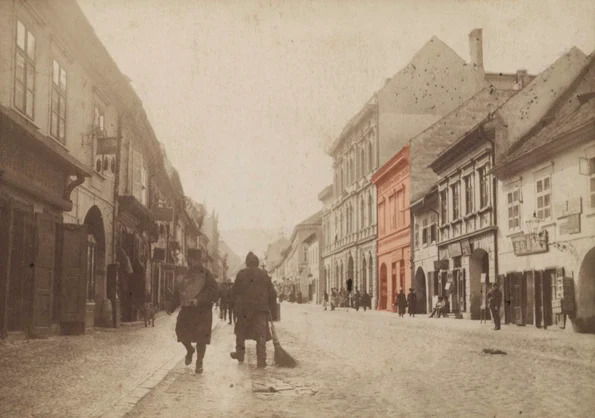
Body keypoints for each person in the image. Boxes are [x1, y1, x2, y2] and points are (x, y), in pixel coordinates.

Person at [167, 255, 218, 374]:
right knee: (181, 332)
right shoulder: (186, 274)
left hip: (202, 311)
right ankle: (190, 349)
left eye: (194, 260)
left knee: (201, 338)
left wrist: (199, 300)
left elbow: (213, 291)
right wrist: (172, 306)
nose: (191, 262)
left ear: (199, 261)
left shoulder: (206, 274)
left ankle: (199, 362)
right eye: (191, 260)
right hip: (187, 310)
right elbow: (178, 291)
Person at [230, 252, 277, 368]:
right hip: (260, 310)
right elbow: (273, 293)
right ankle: (261, 360)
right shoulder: (264, 274)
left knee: (240, 332)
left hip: (244, 309)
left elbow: (235, 291)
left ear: (247, 263)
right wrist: (272, 310)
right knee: (261, 335)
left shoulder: (241, 273)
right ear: (257, 263)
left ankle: (240, 354)